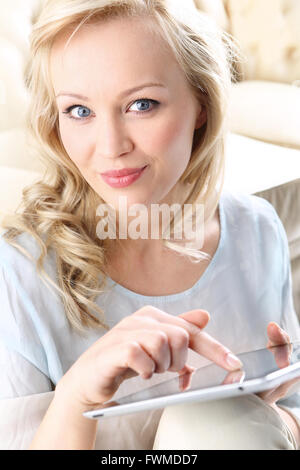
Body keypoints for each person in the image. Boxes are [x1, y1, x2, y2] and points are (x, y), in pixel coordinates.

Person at [0, 0, 300, 450]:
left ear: (201, 104)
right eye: (79, 111)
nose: (111, 146)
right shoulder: (21, 271)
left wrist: (260, 415)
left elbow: (291, 409)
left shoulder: (256, 230)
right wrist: (77, 395)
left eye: (142, 104)